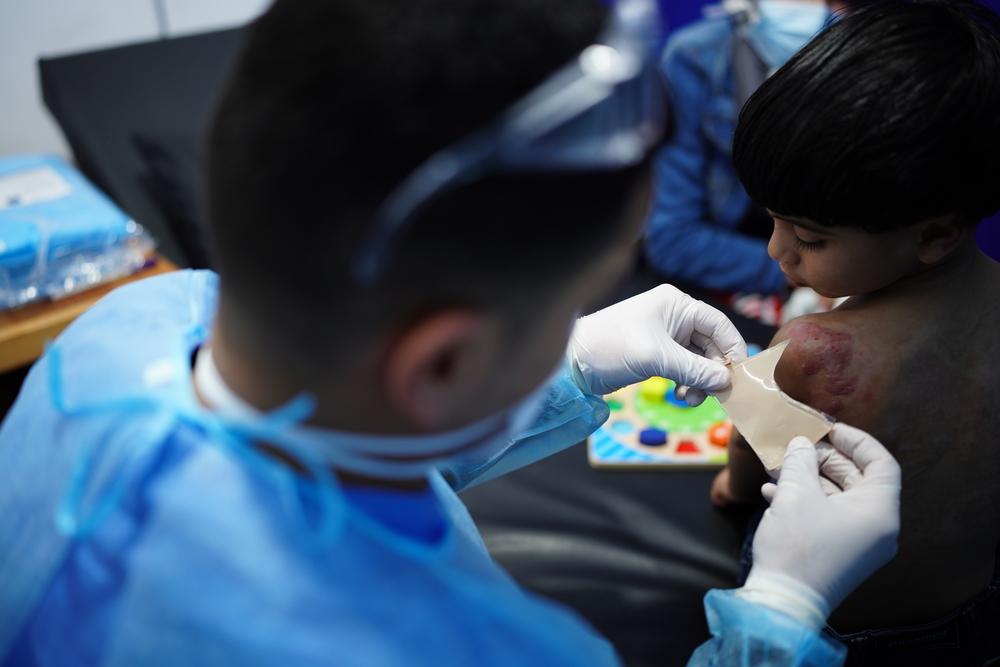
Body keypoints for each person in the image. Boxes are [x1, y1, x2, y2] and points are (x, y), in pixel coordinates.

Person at [0, 0, 899, 665]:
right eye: (564, 307)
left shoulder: (119, 327)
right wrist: (781, 610)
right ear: (440, 358)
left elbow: (346, 441)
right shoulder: (489, 650)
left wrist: (573, 362)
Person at [711, 1, 1000, 664]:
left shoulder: (814, 350)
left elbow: (744, 470)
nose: (776, 251)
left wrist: (728, 493)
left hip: (828, 634)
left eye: (809, 237)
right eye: (773, 222)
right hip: (977, 619)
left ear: (934, 233)